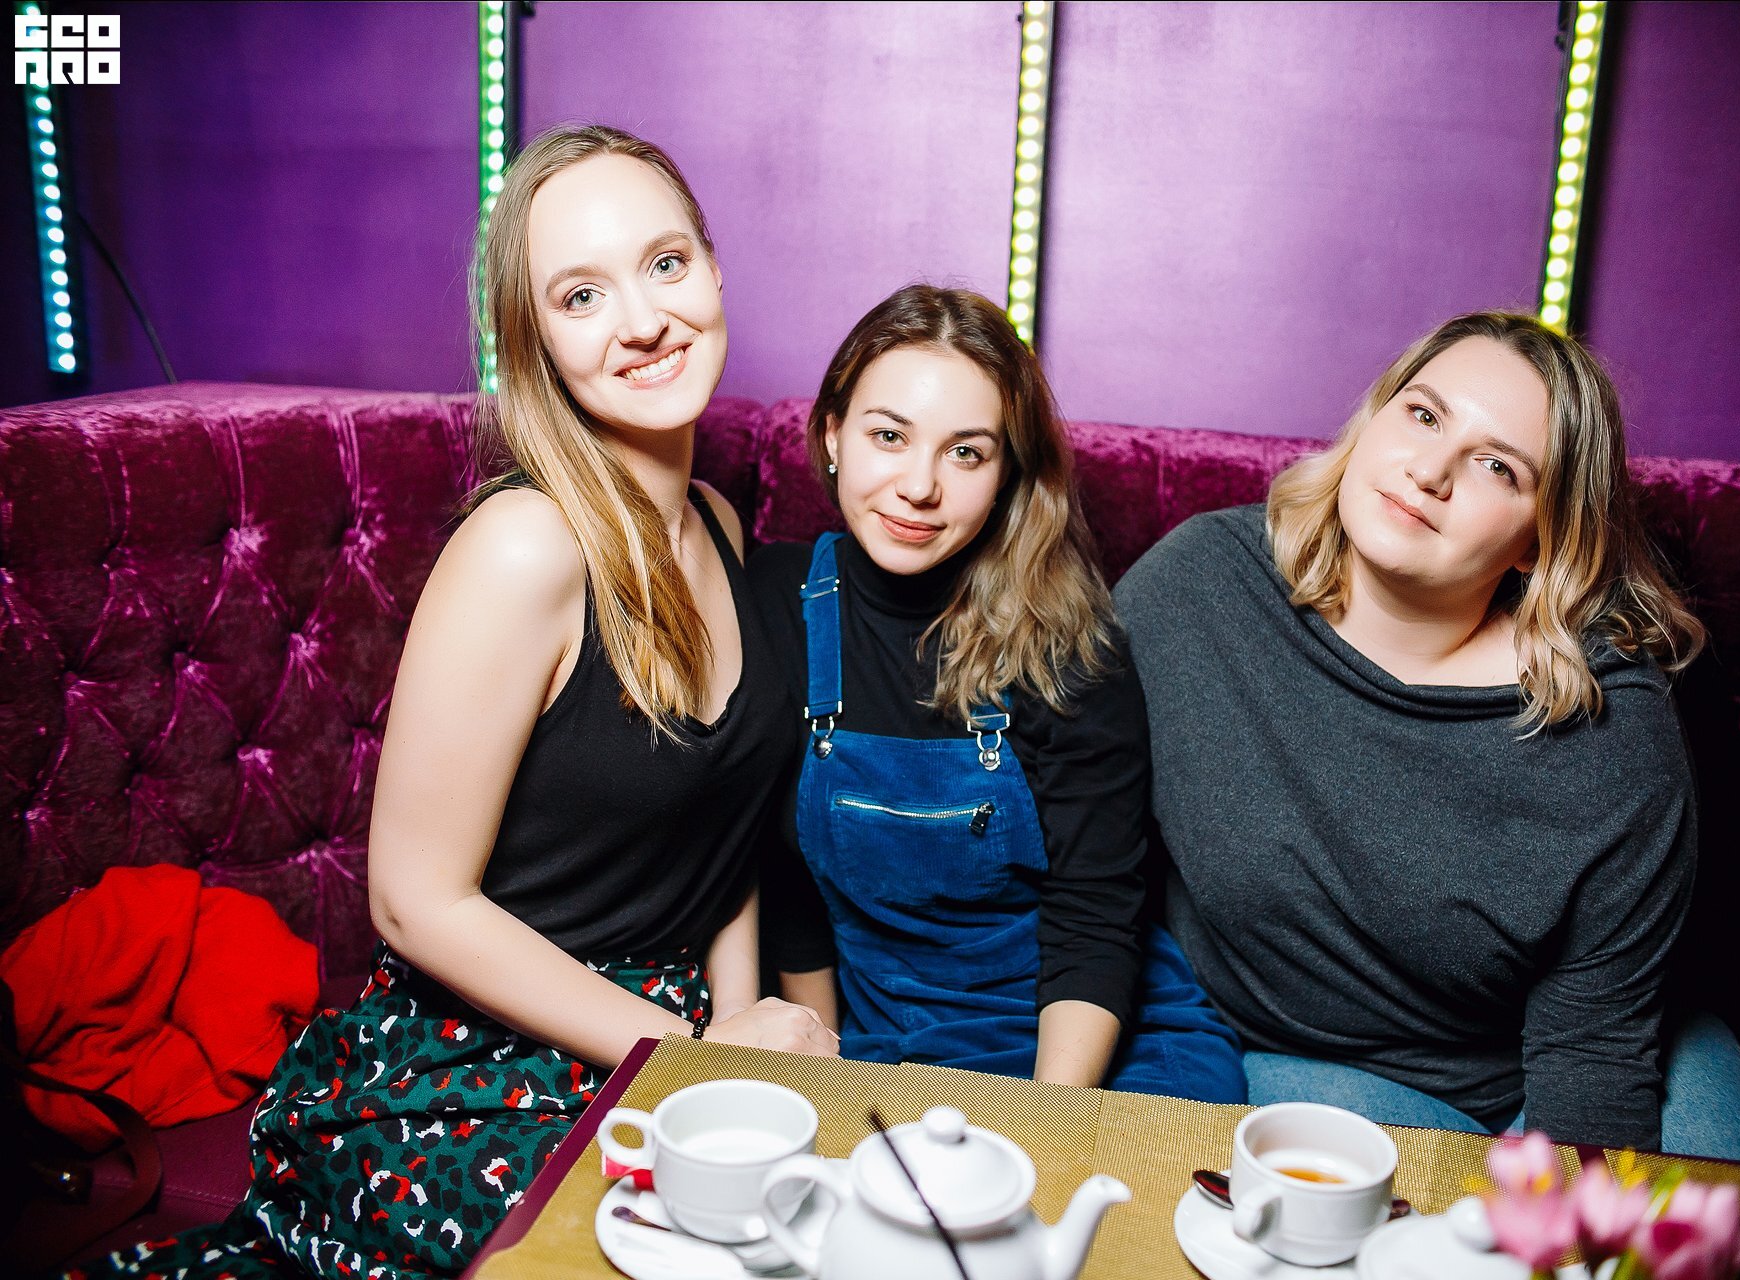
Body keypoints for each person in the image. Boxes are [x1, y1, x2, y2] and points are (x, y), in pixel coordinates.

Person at [77, 125, 836, 1280]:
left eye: (665, 263)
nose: (643, 319)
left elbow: (725, 831)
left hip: (663, 1031)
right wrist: (691, 1052)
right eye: (582, 294)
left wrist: (732, 1059)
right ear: (535, 342)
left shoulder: (722, 528)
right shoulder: (524, 546)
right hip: (472, 1064)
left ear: (715, 269)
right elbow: (413, 899)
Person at [1115, 311, 1740, 1161]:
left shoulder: (1612, 734)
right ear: (1375, 419)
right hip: (1308, 1061)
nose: (1430, 471)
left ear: (1539, 540)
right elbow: (1062, 843)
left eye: (1497, 466)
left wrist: (1562, 1213)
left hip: (1592, 1050)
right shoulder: (1195, 590)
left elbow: (1593, 1050)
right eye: (1424, 414)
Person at [750, 285, 1245, 1103]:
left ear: (1008, 473)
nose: (919, 486)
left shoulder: (1068, 640)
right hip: (888, 1038)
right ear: (833, 433)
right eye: (888, 436)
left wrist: (1045, 1125)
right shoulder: (777, 600)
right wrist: (821, 1077)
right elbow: (785, 880)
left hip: (1086, 1045)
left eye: (966, 454)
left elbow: (1096, 913)